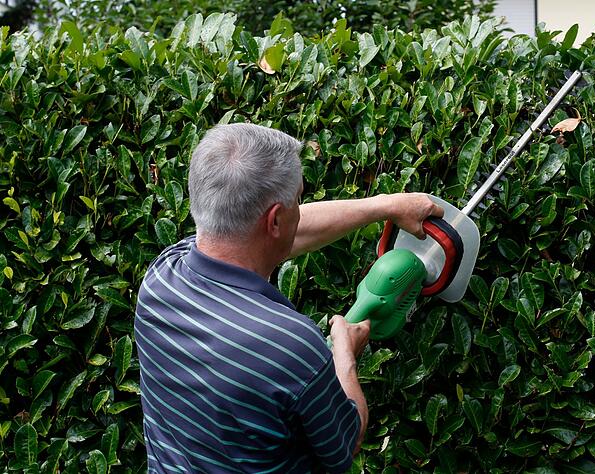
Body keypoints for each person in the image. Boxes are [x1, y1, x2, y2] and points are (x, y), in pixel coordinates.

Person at [134, 123, 443, 473]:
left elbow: (263, 235)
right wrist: (344, 355)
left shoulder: (160, 278)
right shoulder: (289, 348)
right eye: (298, 199)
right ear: (276, 220)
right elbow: (346, 440)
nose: (301, 208)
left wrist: (386, 206)